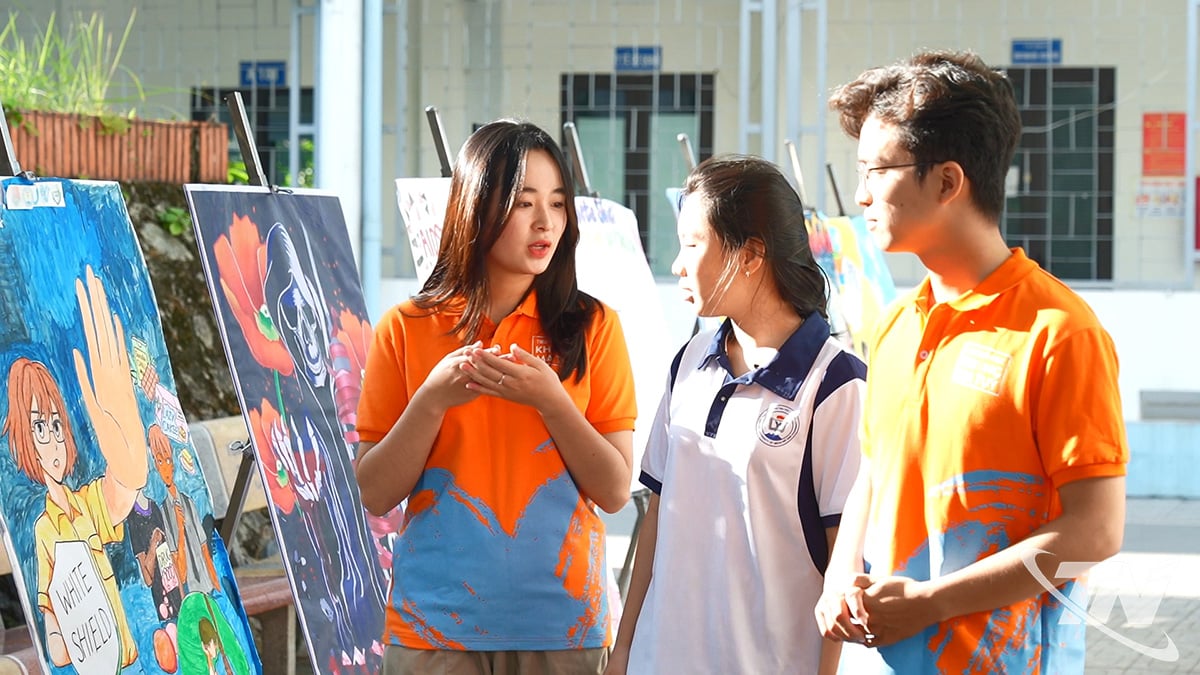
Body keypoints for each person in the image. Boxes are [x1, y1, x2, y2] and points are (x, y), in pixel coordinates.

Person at [816, 50, 1129, 673]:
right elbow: (874, 473)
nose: (860, 195)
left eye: (877, 171)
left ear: (947, 181)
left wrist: (931, 603)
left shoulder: (1058, 332)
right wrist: (839, 577)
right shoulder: (899, 324)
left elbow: (1095, 534)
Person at [354, 119, 637, 675]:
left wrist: (552, 401)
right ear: (476, 210)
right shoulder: (406, 328)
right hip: (434, 625)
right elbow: (375, 492)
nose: (545, 222)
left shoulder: (593, 327)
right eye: (524, 202)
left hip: (562, 626)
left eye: (557, 204)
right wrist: (431, 400)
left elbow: (613, 489)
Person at [606, 155, 865, 675]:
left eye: (693, 245)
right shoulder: (688, 363)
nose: (678, 265)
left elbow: (844, 564)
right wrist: (626, 653)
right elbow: (656, 519)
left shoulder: (836, 384)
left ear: (750, 255)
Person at [2, 266, 149, 669]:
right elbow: (51, 619)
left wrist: (125, 436)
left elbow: (126, 489)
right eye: (37, 427)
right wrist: (58, 642)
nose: (51, 440)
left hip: (124, 656)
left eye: (54, 425)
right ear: (21, 439)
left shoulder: (87, 502)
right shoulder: (44, 529)